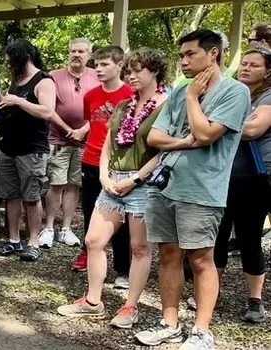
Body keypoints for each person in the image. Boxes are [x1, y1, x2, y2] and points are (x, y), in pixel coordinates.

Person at [136, 29, 251, 349]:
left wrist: (190, 100)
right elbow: (154, 139)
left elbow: (206, 134)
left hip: (202, 189)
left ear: (213, 54)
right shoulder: (177, 92)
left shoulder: (235, 91)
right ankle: (169, 323)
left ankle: (201, 330)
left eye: (190, 54)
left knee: (202, 259)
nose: (184, 61)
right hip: (165, 186)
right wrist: (185, 140)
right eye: (182, 55)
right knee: (169, 254)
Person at [56, 48, 169, 329]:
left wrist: (136, 179)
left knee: (139, 247)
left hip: (142, 182)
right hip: (112, 178)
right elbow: (107, 142)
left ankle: (131, 306)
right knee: (94, 240)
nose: (131, 76)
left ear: (154, 71)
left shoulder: (166, 104)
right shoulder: (123, 105)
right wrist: (105, 176)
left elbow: (164, 151)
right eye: (128, 71)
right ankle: (93, 301)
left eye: (137, 70)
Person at [0, 40, 63, 262]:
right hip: (8, 147)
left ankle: (33, 241)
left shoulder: (43, 81)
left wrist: (18, 102)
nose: (9, 66)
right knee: (10, 195)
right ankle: (13, 240)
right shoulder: (17, 81)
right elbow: (9, 105)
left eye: (11, 61)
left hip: (32, 149)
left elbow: (47, 111)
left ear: (24, 58)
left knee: (31, 196)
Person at [214, 47, 271, 323]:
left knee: (249, 238)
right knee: (218, 236)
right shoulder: (232, 91)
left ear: (268, 71)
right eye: (244, 63)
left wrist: (219, 122)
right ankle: (211, 293)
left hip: (255, 178)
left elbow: (253, 130)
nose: (246, 68)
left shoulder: (268, 96)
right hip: (223, 175)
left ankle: (255, 300)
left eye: (254, 65)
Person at [74, 46, 136, 289]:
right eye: (96, 64)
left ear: (119, 66)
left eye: (104, 64)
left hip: (119, 165)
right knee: (90, 215)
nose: (98, 69)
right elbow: (92, 122)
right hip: (90, 161)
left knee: (120, 219)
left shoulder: (130, 94)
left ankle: (123, 269)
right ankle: (92, 259)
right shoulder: (90, 95)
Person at [42, 38, 96, 249]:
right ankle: (48, 228)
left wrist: (83, 130)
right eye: (73, 51)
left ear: (89, 55)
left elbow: (103, 107)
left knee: (74, 184)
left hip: (85, 141)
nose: (76, 54)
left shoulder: (96, 77)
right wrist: (67, 129)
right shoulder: (54, 76)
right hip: (58, 139)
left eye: (81, 51)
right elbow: (48, 108)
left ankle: (66, 228)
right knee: (56, 183)